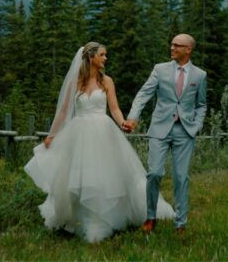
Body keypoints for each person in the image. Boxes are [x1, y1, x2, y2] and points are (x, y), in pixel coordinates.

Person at [23, 42, 173, 243]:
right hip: (79, 133)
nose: (105, 58)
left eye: (105, 55)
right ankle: (81, 218)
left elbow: (114, 108)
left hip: (104, 130)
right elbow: (62, 111)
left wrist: (122, 123)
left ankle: (104, 218)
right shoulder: (76, 82)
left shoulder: (107, 81)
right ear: (90, 57)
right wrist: (52, 135)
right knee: (79, 177)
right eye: (102, 55)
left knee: (106, 175)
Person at [122, 33, 207, 235]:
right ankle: (151, 216)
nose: (172, 48)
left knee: (181, 176)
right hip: (159, 128)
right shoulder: (159, 70)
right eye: (171, 44)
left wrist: (196, 126)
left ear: (188, 50)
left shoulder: (199, 75)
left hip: (185, 131)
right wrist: (133, 117)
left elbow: (201, 105)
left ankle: (181, 223)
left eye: (177, 45)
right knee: (154, 173)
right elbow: (143, 94)